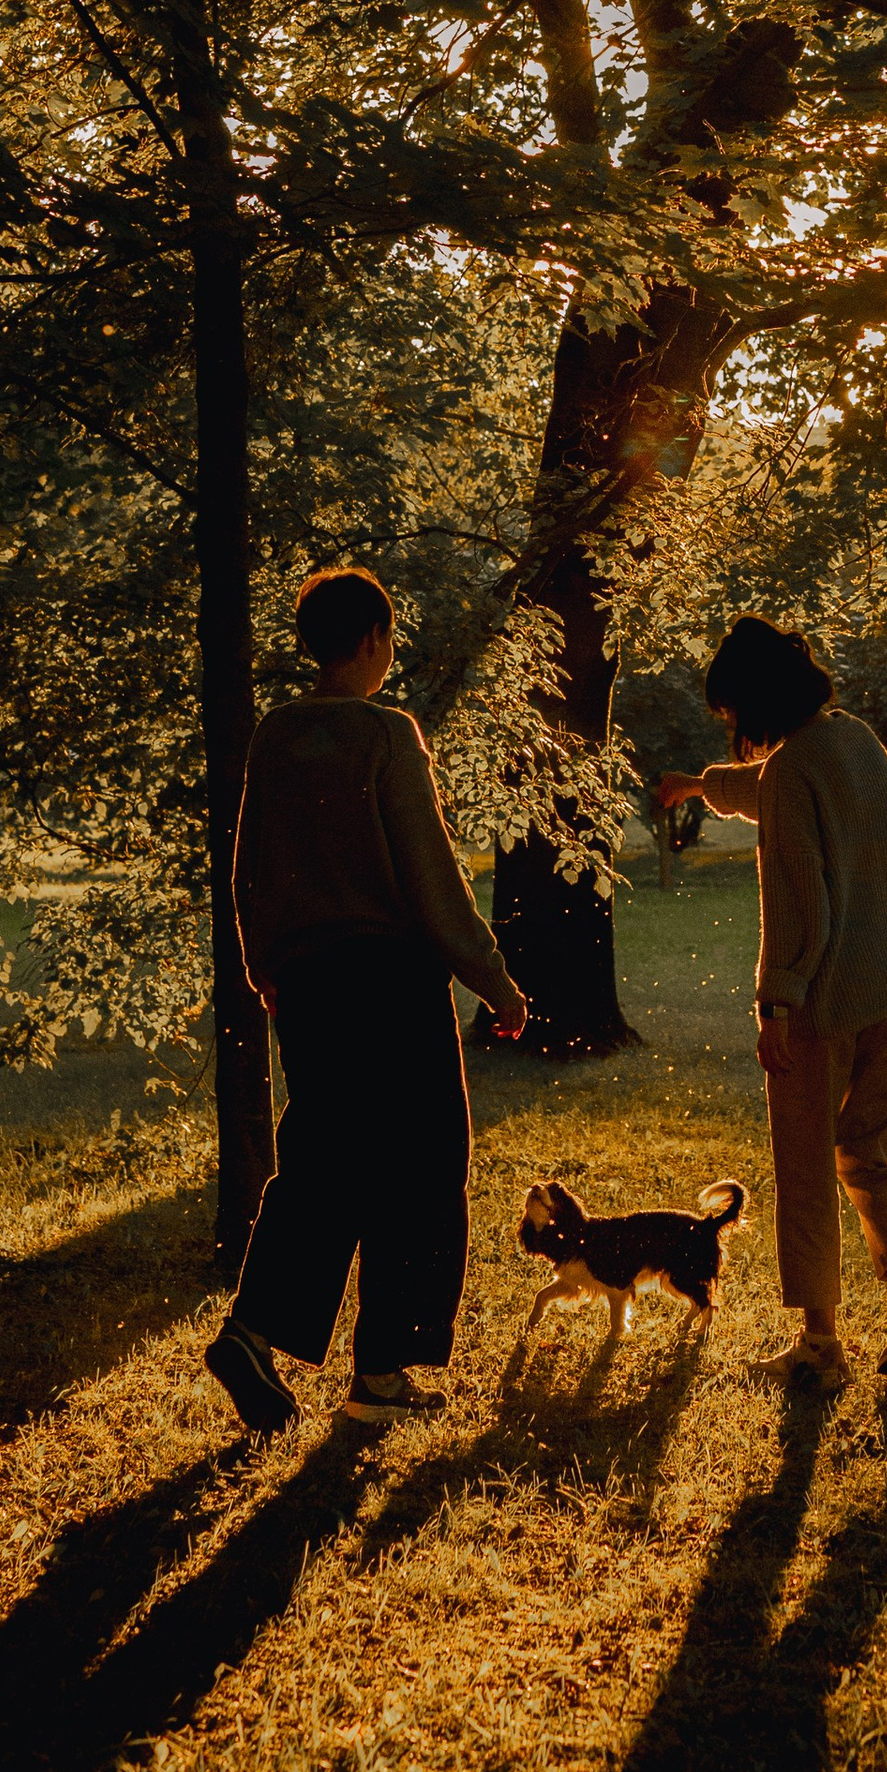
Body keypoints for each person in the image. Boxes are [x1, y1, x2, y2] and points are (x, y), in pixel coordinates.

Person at [204, 565, 529, 1434]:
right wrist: (492, 977)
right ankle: (378, 1369)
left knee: (322, 1158)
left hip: (307, 981)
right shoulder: (387, 736)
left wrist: (263, 964)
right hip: (391, 982)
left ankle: (260, 1332)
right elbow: (431, 874)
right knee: (421, 1167)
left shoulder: (274, 736)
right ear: (375, 641)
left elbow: (249, 867)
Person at [658, 617, 887, 1389]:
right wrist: (700, 786)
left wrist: (776, 1004)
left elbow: (800, 902)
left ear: (752, 699)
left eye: (729, 712)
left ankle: (821, 1347)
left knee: (804, 1171)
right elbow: (777, 791)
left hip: (821, 1006)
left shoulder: (793, 772)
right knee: (865, 1153)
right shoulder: (856, 742)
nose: (732, 726)